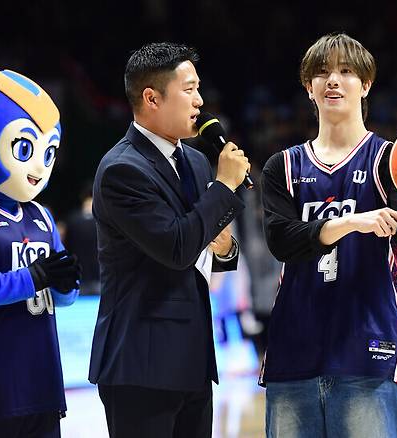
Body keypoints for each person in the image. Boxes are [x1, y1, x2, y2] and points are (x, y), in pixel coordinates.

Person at [259, 33, 397, 438]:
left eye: (345, 71)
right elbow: (282, 240)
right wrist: (352, 222)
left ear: (366, 84)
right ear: (308, 88)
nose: (333, 80)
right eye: (322, 73)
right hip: (293, 353)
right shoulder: (282, 167)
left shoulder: (392, 158)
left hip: (370, 351)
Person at [88, 42, 250, 438]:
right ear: (151, 98)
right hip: (141, 363)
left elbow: (207, 243)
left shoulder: (195, 160)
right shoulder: (122, 169)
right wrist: (225, 187)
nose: (200, 101)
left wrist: (226, 249)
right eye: (189, 89)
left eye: (199, 88)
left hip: (194, 358)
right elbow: (177, 248)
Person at [0, 55, 81, 437]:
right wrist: (31, 278)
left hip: (42, 385)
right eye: (25, 148)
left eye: (48, 153)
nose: (39, 167)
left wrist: (65, 284)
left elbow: (60, 296)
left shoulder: (41, 214)